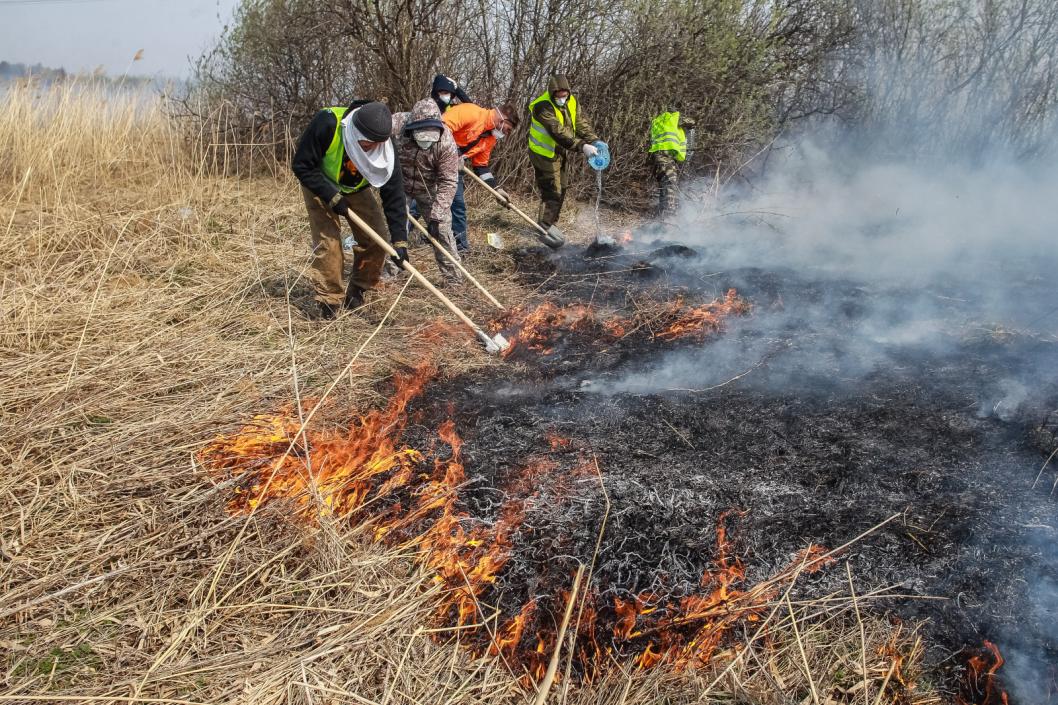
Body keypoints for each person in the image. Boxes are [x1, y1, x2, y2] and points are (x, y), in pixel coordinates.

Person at [291, 100, 408, 320]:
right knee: (329, 243)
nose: (369, 148)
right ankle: (330, 303)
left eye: (374, 145)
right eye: (365, 144)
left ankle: (357, 292)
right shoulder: (327, 123)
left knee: (377, 239)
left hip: (355, 187)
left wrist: (400, 241)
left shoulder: (386, 145)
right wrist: (332, 197)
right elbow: (301, 165)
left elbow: (394, 195)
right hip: (318, 181)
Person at [390, 98, 464, 286]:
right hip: (399, 185)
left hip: (428, 188)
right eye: (422, 136)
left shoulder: (446, 143)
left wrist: (436, 217)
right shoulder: (396, 125)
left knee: (443, 231)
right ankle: (389, 275)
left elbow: (448, 181)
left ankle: (454, 281)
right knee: (392, 229)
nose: (426, 142)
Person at [441, 101, 519, 251]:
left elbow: (481, 167)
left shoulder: (490, 138)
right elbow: (440, 129)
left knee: (458, 207)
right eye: (508, 130)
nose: (506, 134)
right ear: (503, 120)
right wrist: (451, 154)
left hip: (454, 169)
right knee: (422, 202)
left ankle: (461, 248)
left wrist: (496, 189)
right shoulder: (470, 112)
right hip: (434, 162)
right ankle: (400, 242)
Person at [527, 74, 601, 229]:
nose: (562, 99)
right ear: (552, 93)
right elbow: (558, 132)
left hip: (559, 151)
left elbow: (579, 122)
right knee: (553, 190)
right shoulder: (542, 106)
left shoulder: (571, 100)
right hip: (543, 153)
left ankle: (552, 223)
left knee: (563, 186)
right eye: (559, 96)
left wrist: (594, 140)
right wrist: (582, 146)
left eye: (564, 96)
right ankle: (544, 228)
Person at [648, 109, 695, 216]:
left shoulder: (658, 121)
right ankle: (669, 213)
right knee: (670, 182)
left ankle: (662, 212)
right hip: (665, 155)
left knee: (664, 183)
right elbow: (691, 122)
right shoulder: (673, 119)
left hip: (658, 154)